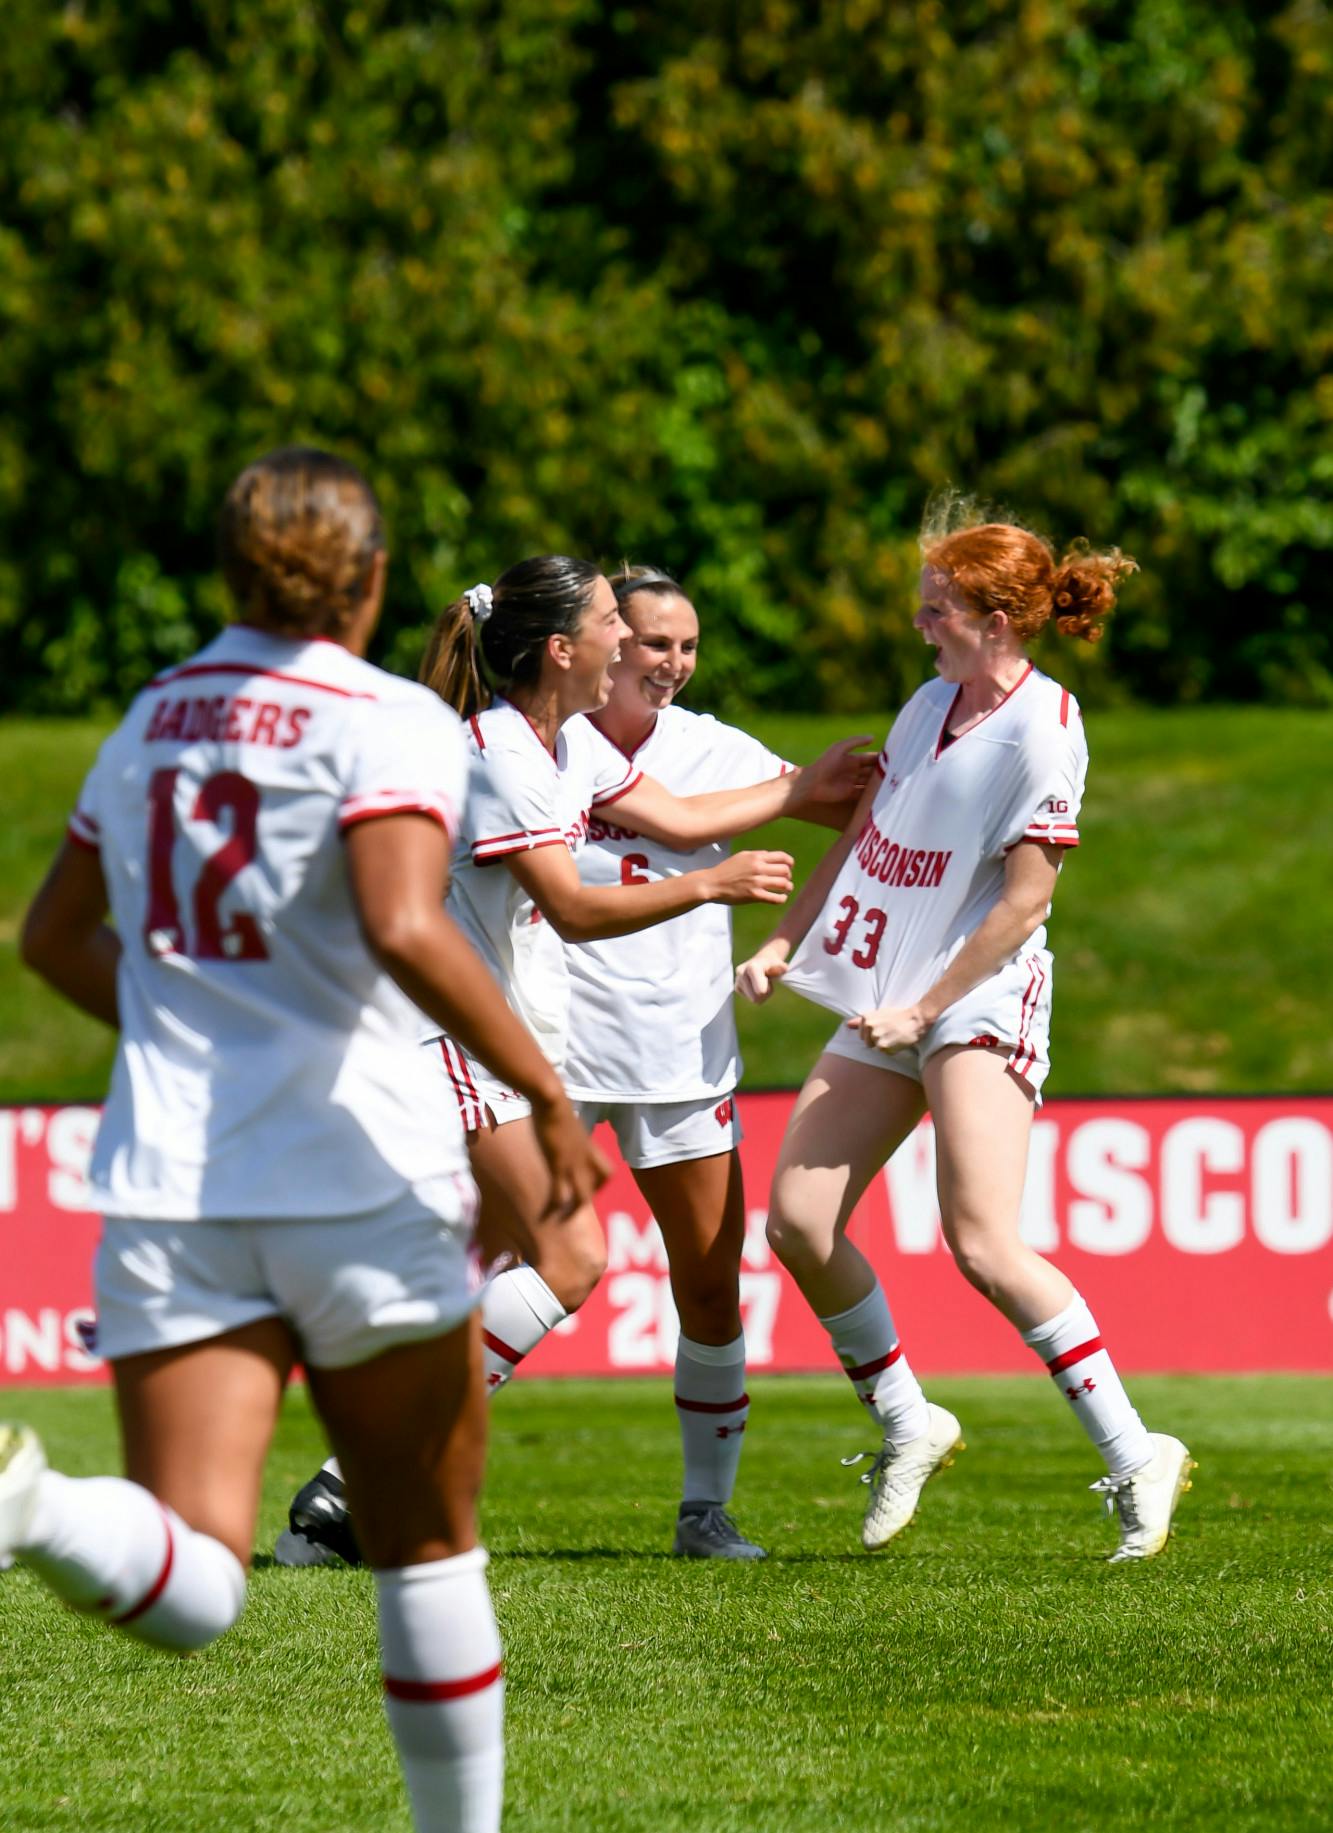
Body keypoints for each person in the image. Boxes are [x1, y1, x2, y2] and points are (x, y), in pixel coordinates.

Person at [2, 448, 609, 1833]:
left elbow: (54, 941)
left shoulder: (147, 721)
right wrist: (537, 1091)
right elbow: (406, 921)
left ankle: (24, 1509)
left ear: (229, 575)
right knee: (422, 1542)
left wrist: (193, 1031)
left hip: (171, 1182)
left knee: (195, 1576)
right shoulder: (388, 716)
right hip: (355, 1170)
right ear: (368, 581)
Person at [278, 556, 871, 1568]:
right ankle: (360, 1475)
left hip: (502, 1042)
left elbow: (681, 816)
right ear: (563, 650)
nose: (632, 644)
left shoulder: (561, 744)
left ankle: (343, 1499)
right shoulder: (501, 752)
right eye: (611, 622)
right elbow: (572, 904)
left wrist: (812, 787)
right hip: (451, 1038)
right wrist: (710, 889)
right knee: (566, 1258)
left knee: (519, 1268)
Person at [736, 506, 1196, 1562]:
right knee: (799, 1223)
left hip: (976, 999)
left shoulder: (1046, 728)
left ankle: (1136, 1452)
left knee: (983, 1242)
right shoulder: (928, 701)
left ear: (996, 620)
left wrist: (925, 1007)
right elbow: (866, 834)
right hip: (891, 992)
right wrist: (783, 940)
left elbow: (1022, 906)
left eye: (935, 607)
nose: (918, 622)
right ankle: (909, 1420)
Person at [558, 565, 870, 1559]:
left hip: (679, 1051)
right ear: (605, 641)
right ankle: (367, 1482)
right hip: (551, 1046)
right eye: (654, 642)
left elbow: (853, 815)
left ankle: (705, 1511)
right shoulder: (542, 744)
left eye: (687, 646)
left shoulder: (714, 750)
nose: (673, 664)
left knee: (706, 1285)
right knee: (510, 1267)